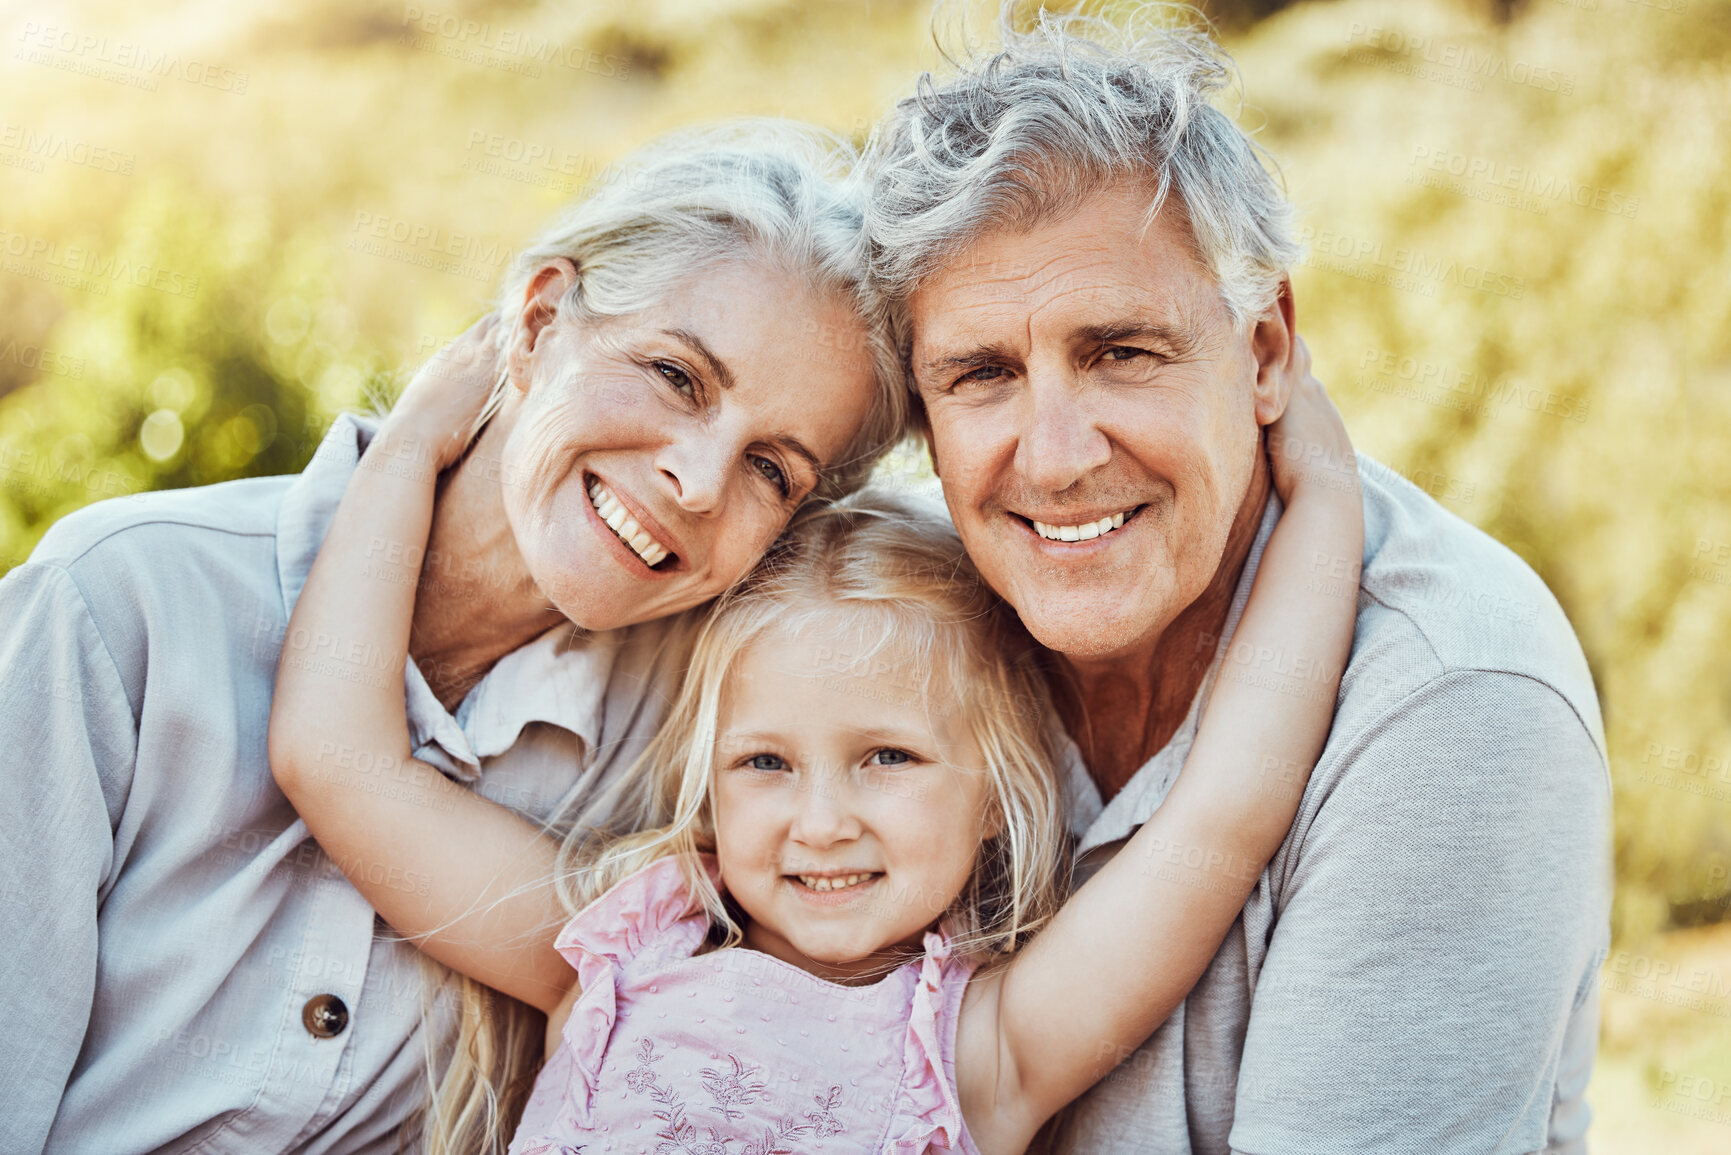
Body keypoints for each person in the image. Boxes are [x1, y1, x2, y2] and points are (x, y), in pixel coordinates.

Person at [0, 122, 909, 1153]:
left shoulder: (713, 748)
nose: (698, 482)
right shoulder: (123, 609)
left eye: (771, 470)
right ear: (536, 320)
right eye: (675, 374)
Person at [265, 314, 1362, 1152]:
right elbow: (341, 765)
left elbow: (1223, 815)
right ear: (709, 782)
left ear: (994, 790)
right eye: (765, 764)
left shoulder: (985, 1046)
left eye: (887, 758)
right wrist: (408, 450)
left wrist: (1324, 503)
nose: (822, 823)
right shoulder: (619, 949)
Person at [862, 6, 1612, 1152]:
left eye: (1121, 352)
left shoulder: (1452, 695)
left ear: (1265, 351)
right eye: (980, 375)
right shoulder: (875, 632)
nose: (1056, 458)